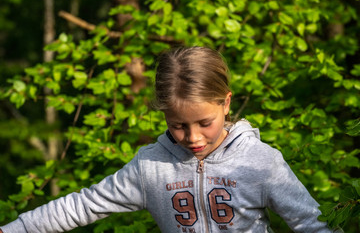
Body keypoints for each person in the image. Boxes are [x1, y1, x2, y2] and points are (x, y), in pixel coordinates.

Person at [0, 46, 334, 233]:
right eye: (177, 126)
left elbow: (312, 223)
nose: (192, 137)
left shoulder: (261, 161)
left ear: (226, 103)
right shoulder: (150, 167)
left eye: (205, 123)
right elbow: (82, 205)